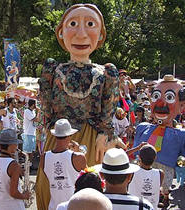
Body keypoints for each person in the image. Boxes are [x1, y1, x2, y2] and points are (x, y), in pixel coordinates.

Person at [36, 4, 126, 208]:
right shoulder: (53, 69)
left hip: (93, 138)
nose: (81, 33)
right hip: (58, 137)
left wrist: (106, 134)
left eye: (90, 24)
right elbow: (46, 105)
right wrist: (46, 131)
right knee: (48, 185)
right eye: (73, 24)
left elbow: (108, 108)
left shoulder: (107, 72)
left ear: (100, 35)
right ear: (61, 32)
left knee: (91, 184)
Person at [133, 75, 185, 207]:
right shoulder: (142, 128)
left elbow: (182, 157)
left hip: (166, 167)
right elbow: (134, 151)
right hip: (142, 168)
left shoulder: (180, 135)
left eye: (169, 98)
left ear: (181, 105)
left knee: (163, 188)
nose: (161, 104)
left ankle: (164, 199)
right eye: (156, 96)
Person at [39, 119, 87, 210]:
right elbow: (88, 177)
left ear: (55, 136)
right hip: (73, 206)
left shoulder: (43, 157)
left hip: (54, 207)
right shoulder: (78, 157)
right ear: (69, 136)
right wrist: (77, 152)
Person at [0, 129, 30, 210]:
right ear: (11, 145)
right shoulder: (13, 165)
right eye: (15, 143)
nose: (17, 146)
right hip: (13, 206)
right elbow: (13, 193)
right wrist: (25, 196)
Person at [128, 144, 164, 210]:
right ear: (155, 158)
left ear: (139, 157)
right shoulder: (160, 173)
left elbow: (121, 157)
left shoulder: (132, 172)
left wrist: (137, 148)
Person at [22, 99, 40, 165]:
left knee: (32, 150)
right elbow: (36, 119)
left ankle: (30, 163)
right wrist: (38, 112)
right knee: (28, 151)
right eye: (36, 104)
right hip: (28, 133)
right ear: (33, 104)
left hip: (33, 133)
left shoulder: (33, 111)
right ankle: (27, 163)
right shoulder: (27, 111)